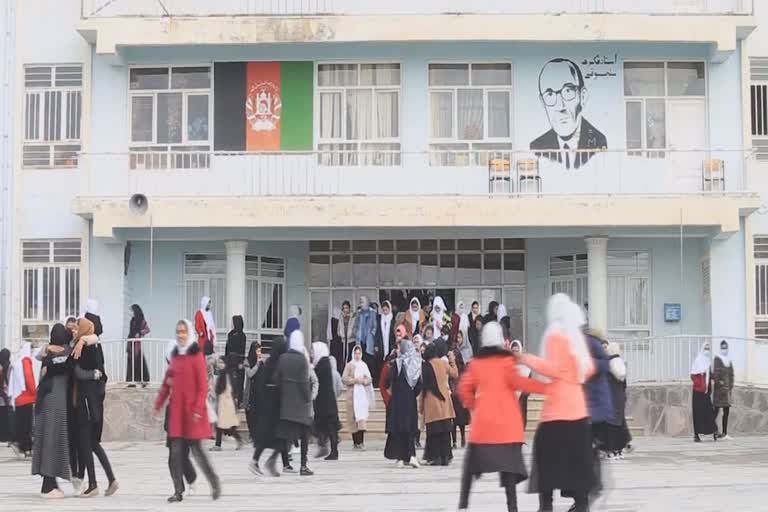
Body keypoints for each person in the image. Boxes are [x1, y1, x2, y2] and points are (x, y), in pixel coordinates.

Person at [458, 322, 548, 512]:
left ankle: (463, 504)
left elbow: (463, 389)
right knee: (508, 471)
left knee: (470, 467)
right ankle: (512, 507)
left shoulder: (476, 364)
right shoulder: (507, 362)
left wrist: (475, 406)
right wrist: (546, 388)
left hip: (484, 428)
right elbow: (521, 383)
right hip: (508, 428)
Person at [518, 294, 595, 512]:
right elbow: (588, 369)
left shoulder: (555, 335)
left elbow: (552, 369)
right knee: (577, 461)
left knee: (546, 462)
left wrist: (527, 358)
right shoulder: (577, 338)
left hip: (557, 412)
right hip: (579, 411)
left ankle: (546, 506)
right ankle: (581, 505)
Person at [154, 319, 221, 503]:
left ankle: (214, 482)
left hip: (193, 412)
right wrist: (158, 404)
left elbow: (202, 386)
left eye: (183, 331)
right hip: (177, 411)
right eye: (178, 332)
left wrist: (199, 408)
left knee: (198, 452)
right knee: (175, 453)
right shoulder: (175, 357)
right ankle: (178, 490)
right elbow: (166, 384)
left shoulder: (196, 356)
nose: (181, 335)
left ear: (189, 333)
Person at [531, 58, 607, 169]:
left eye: (568, 91)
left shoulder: (599, 143)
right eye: (550, 94)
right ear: (542, 102)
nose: (560, 106)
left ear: (583, 97)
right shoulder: (537, 147)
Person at [73, 317, 118, 498]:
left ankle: (92, 485)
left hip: (85, 402)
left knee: (86, 444)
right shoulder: (94, 346)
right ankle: (111, 479)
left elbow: (77, 371)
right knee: (93, 444)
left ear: (84, 329)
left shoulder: (83, 348)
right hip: (94, 403)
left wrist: (81, 341)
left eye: (77, 328)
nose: (75, 331)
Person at [32, 324, 73, 498]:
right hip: (56, 401)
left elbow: (39, 356)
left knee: (48, 440)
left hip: (44, 399)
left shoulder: (47, 353)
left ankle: (50, 482)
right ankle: (48, 486)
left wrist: (47, 348)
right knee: (52, 440)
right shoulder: (67, 352)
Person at [249, 337, 292, 477]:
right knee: (280, 436)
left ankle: (260, 461)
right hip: (277, 407)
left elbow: (261, 385)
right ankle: (270, 463)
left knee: (269, 437)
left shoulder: (269, 363)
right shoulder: (281, 364)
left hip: (267, 407)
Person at [275, 330, 315, 476]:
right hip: (300, 407)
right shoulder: (302, 360)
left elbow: (276, 379)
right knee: (304, 436)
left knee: (284, 435)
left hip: (286, 404)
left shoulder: (282, 358)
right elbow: (304, 384)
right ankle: (303, 465)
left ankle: (286, 463)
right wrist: (307, 398)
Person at [384, 338, 422, 468]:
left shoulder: (397, 364)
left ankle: (400, 458)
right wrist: (412, 394)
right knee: (410, 430)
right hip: (410, 402)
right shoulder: (415, 364)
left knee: (400, 429)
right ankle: (412, 456)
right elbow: (419, 386)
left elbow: (387, 381)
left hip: (397, 402)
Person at [421, 339, 458, 466]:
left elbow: (423, 388)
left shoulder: (425, 366)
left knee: (434, 433)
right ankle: (446, 457)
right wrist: (452, 359)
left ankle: (435, 457)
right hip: (444, 403)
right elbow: (455, 374)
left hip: (431, 404)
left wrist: (420, 407)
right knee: (445, 432)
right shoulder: (443, 363)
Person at [311, 342, 341, 461]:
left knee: (330, 428)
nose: (312, 354)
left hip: (326, 403)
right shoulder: (324, 363)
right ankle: (330, 450)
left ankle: (333, 451)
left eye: (313, 351)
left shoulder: (322, 365)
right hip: (327, 402)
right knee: (329, 428)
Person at [342, 345, 374, 450]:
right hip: (352, 396)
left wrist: (363, 381)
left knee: (361, 419)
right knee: (353, 419)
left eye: (359, 353)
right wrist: (354, 380)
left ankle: (361, 442)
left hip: (362, 396)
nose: (357, 355)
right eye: (355, 353)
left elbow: (369, 379)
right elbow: (344, 379)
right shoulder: (349, 365)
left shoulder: (364, 365)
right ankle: (355, 442)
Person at [10, 341, 37, 457]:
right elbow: (29, 378)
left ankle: (23, 447)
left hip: (18, 397)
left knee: (22, 423)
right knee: (27, 425)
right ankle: (27, 448)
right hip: (27, 397)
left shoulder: (17, 362)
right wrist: (35, 393)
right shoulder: (26, 361)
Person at [211, 356, 243, 451]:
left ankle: (237, 440)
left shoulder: (227, 375)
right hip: (222, 403)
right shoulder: (222, 375)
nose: (220, 364)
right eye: (219, 362)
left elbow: (229, 390)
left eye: (222, 362)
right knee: (221, 425)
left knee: (226, 425)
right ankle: (218, 445)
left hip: (227, 404)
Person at [604, 341, 629, 459]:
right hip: (619, 396)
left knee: (610, 425)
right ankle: (618, 450)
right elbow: (624, 384)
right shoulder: (621, 364)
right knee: (618, 424)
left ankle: (611, 450)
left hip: (610, 396)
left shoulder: (607, 364)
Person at [691, 342, 717, 443]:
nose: (707, 350)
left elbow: (710, 374)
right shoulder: (697, 360)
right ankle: (696, 434)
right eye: (705, 348)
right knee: (697, 413)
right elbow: (693, 375)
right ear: (702, 349)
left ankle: (713, 430)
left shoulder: (708, 361)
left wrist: (715, 379)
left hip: (706, 392)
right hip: (698, 392)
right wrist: (700, 385)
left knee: (709, 412)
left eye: (708, 348)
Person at [449, 331, 471, 449]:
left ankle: (462, 438)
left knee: (461, 419)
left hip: (460, 393)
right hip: (452, 393)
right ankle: (454, 441)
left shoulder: (462, 367)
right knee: (453, 419)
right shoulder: (450, 365)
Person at [712, 340, 735, 440]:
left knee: (726, 411)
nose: (724, 349)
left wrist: (730, 385)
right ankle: (713, 430)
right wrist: (720, 383)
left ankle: (725, 433)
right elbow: (716, 374)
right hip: (719, 390)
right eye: (723, 347)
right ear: (720, 348)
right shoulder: (717, 359)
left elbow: (731, 374)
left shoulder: (728, 360)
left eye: (726, 347)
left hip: (727, 391)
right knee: (716, 411)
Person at [126, 304, 151, 387]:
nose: (131, 313)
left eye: (132, 311)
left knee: (139, 363)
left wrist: (140, 333)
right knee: (131, 363)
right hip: (131, 343)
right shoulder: (132, 320)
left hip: (137, 345)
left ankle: (143, 380)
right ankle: (131, 381)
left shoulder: (141, 321)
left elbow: (147, 329)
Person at [353, 296, 377, 379]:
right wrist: (356, 333)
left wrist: (372, 334)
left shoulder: (372, 313)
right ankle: (362, 378)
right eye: (360, 302)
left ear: (367, 302)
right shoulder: (359, 313)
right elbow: (355, 326)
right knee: (360, 360)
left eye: (362, 301)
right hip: (360, 340)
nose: (361, 303)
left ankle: (371, 379)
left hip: (369, 341)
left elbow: (375, 326)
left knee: (370, 361)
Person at [225, 315, 247, 407]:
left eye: (233, 322)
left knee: (239, 382)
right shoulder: (230, 334)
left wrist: (241, 362)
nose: (231, 324)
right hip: (231, 361)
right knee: (231, 381)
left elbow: (242, 350)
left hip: (239, 362)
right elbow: (227, 349)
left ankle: (239, 401)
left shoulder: (242, 335)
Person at [510, 340, 532, 430]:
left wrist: (523, 394)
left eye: (516, 350)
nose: (515, 353)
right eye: (513, 351)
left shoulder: (526, 367)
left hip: (521, 399)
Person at [244, 342, 263, 442]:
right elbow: (250, 374)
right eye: (258, 351)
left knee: (258, 413)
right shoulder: (247, 361)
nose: (259, 353)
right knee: (249, 413)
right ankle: (251, 434)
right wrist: (257, 364)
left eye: (260, 351)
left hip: (259, 390)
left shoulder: (261, 362)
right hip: (250, 390)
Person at [375, 300, 396, 387]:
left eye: (386, 310)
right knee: (380, 365)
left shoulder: (393, 321)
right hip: (381, 345)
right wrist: (376, 344)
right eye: (383, 310)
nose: (385, 312)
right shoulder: (380, 320)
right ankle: (380, 383)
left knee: (389, 365)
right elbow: (377, 332)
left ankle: (388, 383)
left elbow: (394, 334)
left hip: (390, 346)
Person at [0, 349, 12, 446]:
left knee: (2, 418)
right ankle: (8, 436)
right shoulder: (11, 367)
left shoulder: (1, 368)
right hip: (9, 396)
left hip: (2, 397)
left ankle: (2, 436)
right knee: (8, 418)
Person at [328, 307, 343, 374]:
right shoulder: (340, 320)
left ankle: (333, 372)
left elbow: (328, 333)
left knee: (334, 358)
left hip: (333, 342)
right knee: (339, 359)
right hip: (339, 342)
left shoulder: (331, 320)